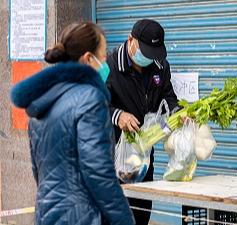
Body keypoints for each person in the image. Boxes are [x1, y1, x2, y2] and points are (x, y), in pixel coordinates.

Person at [10, 22, 134, 225]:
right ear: (88, 58)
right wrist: (123, 219)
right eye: (102, 56)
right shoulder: (89, 98)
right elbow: (97, 170)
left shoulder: (43, 101)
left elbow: (39, 170)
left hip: (47, 213)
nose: (105, 62)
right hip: (81, 216)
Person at [106, 19, 179, 224]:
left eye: (153, 53)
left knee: (141, 214)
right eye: (146, 52)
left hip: (144, 156)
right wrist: (117, 116)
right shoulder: (107, 67)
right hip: (114, 156)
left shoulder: (159, 66)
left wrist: (177, 111)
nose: (149, 58)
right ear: (131, 40)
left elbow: (168, 96)